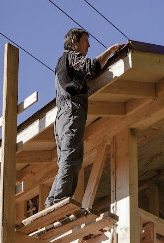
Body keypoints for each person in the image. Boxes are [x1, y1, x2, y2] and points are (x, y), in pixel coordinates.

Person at [44, 29, 124, 208]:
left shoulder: (62, 63)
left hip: (61, 117)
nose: (89, 45)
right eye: (85, 41)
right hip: (71, 111)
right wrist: (110, 50)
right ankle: (58, 203)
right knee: (71, 158)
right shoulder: (71, 57)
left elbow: (86, 73)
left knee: (65, 160)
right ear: (74, 42)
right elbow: (92, 66)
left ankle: (52, 202)